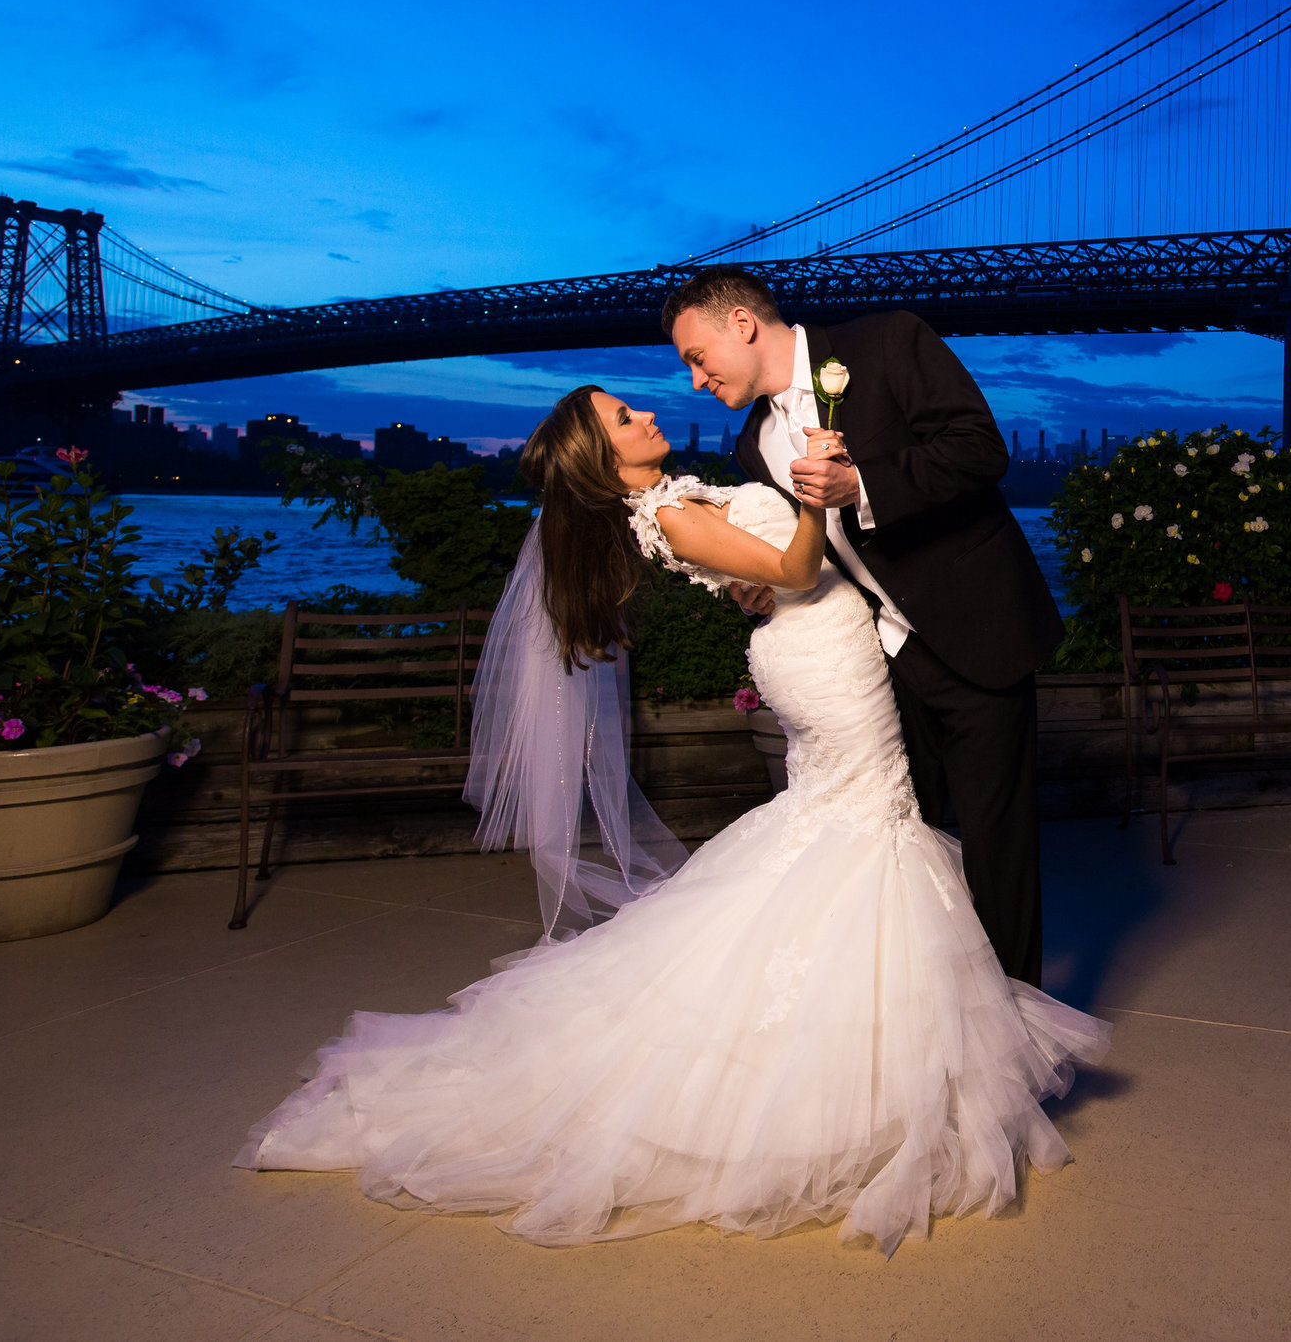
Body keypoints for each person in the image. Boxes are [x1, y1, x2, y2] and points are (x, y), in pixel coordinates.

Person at [236, 385, 1109, 1254]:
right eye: (625, 419)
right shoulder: (667, 515)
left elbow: (767, 570)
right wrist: (818, 490)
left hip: (829, 646)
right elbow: (799, 572)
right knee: (867, 824)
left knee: (853, 824)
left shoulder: (680, 497)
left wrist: (772, 557)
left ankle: (876, 1050)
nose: (647, 414)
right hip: (821, 662)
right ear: (606, 461)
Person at [664, 267, 1062, 985]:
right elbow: (812, 557)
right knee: (913, 842)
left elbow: (980, 449)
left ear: (743, 325)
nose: (694, 380)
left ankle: (1018, 1031)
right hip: (883, 657)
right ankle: (942, 1016)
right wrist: (766, 590)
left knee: (997, 846)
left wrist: (865, 485)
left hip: (976, 630)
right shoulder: (753, 445)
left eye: (697, 356)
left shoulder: (886, 341)